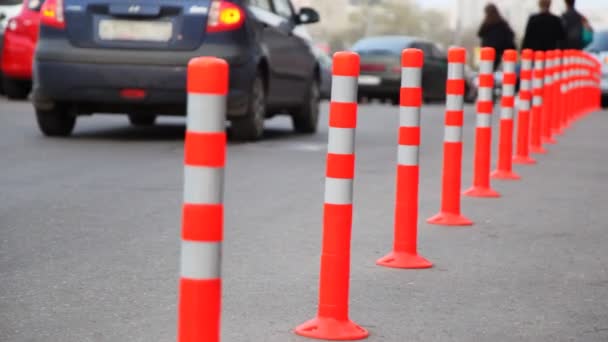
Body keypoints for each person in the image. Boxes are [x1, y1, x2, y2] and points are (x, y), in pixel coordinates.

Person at [477, 4, 516, 70]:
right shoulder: (502, 23)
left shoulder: (486, 24)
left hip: (488, 52)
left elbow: (480, 34)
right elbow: (511, 35)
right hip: (500, 53)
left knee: (487, 71)